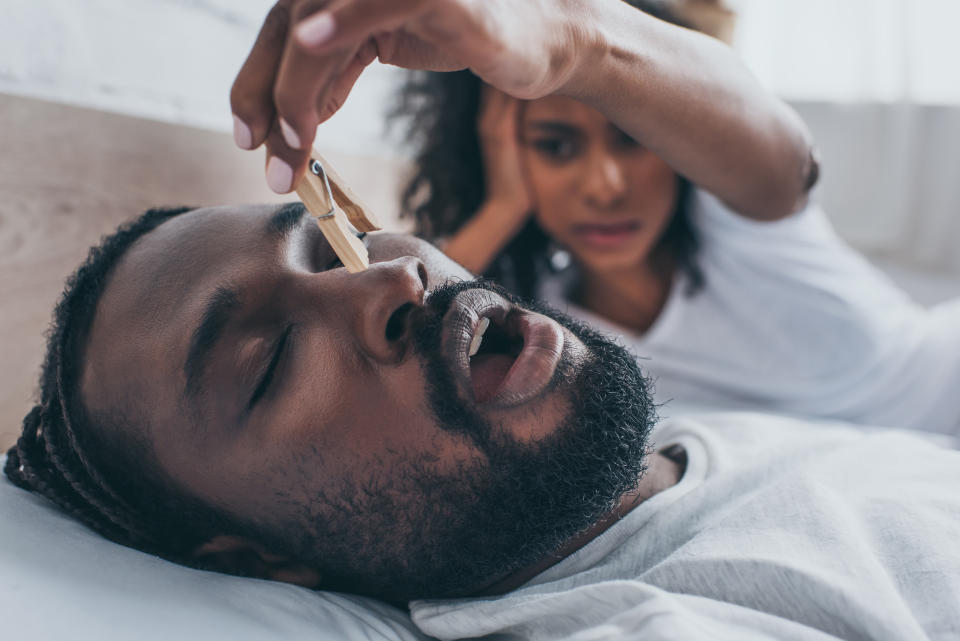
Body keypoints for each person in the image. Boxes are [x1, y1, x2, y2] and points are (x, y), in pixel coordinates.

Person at [5, 202, 960, 640]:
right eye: (268, 364)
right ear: (260, 561)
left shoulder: (715, 436)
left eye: (333, 234)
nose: (390, 278)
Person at [232, 0, 960, 432]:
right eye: (555, 146)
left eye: (634, 142)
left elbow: (780, 159)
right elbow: (422, 328)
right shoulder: (541, 332)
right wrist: (505, 203)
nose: (605, 185)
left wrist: (572, 41)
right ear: (503, 155)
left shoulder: (745, 231)